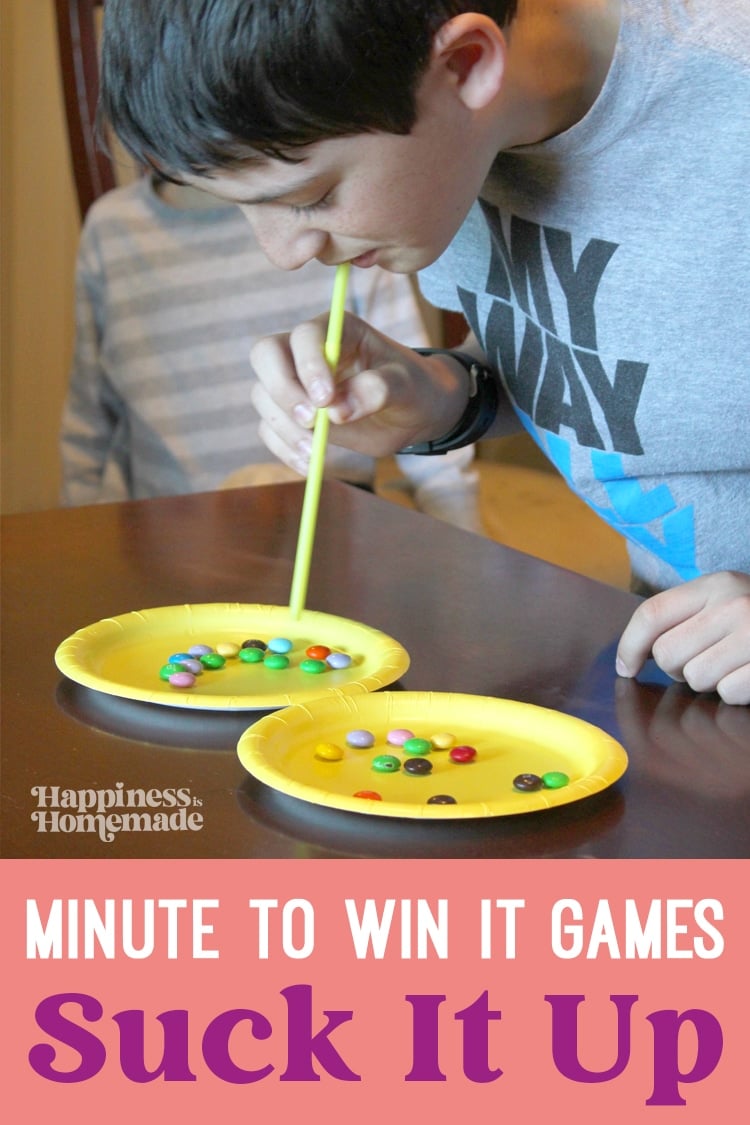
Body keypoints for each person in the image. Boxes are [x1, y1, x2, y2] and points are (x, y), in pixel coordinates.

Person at [98, 0, 750, 705]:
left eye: (312, 196)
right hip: (676, 665)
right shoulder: (457, 138)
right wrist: (439, 397)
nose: (283, 254)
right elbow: (636, 363)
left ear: (467, 64)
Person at [60, 174, 483, 532]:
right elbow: (91, 422)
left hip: (331, 538)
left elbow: (414, 394)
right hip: (172, 545)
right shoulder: (111, 231)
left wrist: (463, 539)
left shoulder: (339, 217)